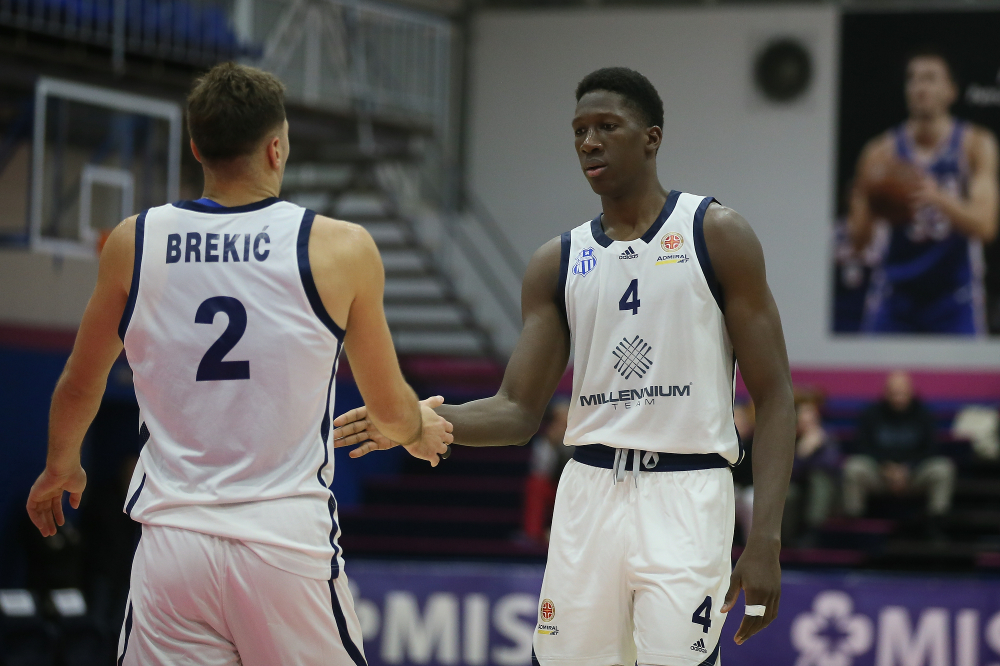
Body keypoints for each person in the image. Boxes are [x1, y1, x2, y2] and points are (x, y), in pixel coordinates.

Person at [335, 67, 796, 664]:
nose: (589, 142)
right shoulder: (557, 261)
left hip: (688, 493)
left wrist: (765, 539)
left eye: (607, 126)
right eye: (579, 130)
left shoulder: (716, 235)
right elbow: (516, 410)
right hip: (588, 492)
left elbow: (775, 396)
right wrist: (412, 421)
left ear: (651, 138)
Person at [25, 62, 452, 665]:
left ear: (196, 147)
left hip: (173, 547)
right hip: (283, 545)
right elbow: (386, 407)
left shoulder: (134, 242)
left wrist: (60, 465)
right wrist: (418, 428)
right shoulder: (339, 247)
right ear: (277, 148)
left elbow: (79, 382)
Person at [847, 48, 999, 335]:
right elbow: (857, 241)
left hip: (955, 297)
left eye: (930, 78)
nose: (919, 86)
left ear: (951, 91)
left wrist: (936, 197)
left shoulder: (975, 144)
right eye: (913, 79)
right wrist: (873, 202)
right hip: (895, 295)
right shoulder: (879, 152)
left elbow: (985, 226)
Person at [842, 371, 955, 535]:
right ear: (886, 393)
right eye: (894, 393)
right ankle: (855, 525)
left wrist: (907, 469)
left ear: (911, 392)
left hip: (914, 475)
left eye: (902, 393)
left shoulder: (924, 414)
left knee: (943, 468)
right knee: (853, 467)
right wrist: (886, 468)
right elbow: (862, 447)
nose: (898, 398)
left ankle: (936, 524)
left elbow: (930, 449)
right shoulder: (871, 414)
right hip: (880, 474)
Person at [784, 396, 841, 546]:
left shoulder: (827, 438)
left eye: (812, 417)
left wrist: (814, 447)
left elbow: (831, 466)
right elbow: (785, 473)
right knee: (788, 494)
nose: (809, 421)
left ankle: (812, 532)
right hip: (797, 485)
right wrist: (802, 452)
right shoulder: (787, 438)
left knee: (819, 480)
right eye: (804, 417)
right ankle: (786, 537)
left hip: (826, 488)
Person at [522, 399, 572, 543]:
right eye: (560, 421)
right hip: (554, 486)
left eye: (566, 420)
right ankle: (533, 534)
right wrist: (552, 444)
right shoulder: (545, 441)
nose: (563, 425)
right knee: (535, 485)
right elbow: (541, 471)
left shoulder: (583, 438)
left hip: (574, 485)